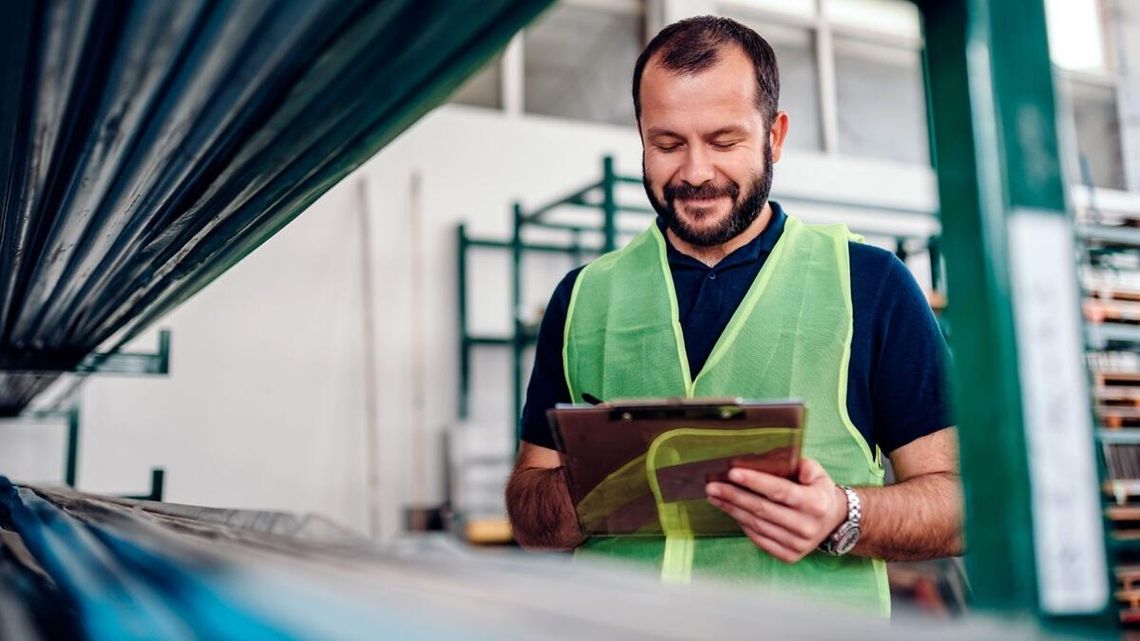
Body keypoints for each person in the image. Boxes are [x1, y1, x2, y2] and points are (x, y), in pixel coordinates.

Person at [504, 15, 962, 616]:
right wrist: (594, 487)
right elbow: (527, 510)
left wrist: (842, 514)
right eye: (667, 144)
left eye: (724, 142)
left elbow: (959, 506)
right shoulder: (585, 297)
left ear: (775, 137)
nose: (695, 172)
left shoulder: (871, 286)